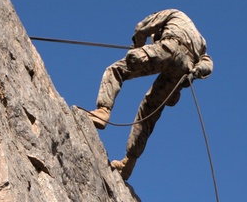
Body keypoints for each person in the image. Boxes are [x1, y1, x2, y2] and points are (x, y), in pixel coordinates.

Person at [88, 9, 214, 179]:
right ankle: (129, 162)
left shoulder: (172, 13)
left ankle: (102, 111)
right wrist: (194, 72)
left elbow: (141, 28)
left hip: (169, 48)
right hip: (184, 67)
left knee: (117, 70)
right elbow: (208, 63)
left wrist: (138, 49)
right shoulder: (201, 41)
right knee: (149, 109)